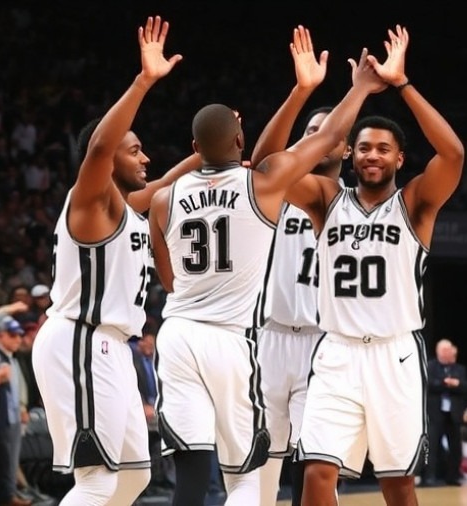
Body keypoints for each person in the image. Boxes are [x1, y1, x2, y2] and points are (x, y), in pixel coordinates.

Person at [147, 35, 385, 506]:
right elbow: (323, 139)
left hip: (193, 332)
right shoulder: (269, 185)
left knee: (201, 466)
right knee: (249, 474)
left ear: (195, 146)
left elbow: (168, 276)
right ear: (240, 140)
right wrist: (355, 89)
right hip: (248, 338)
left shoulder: (162, 199)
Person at [282, 25, 464, 506]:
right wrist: (353, 91)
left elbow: (453, 153)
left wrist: (402, 84)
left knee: (396, 484)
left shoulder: (416, 203)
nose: (372, 155)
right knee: (317, 471)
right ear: (349, 153)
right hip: (337, 352)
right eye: (363, 147)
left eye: (383, 148)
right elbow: (267, 166)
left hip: (394, 354)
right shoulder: (325, 199)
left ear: (400, 158)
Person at [29, 16, 191, 505]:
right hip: (80, 339)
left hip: (114, 348)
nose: (145, 159)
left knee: (135, 476)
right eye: (135, 150)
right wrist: (144, 81)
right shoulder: (89, 201)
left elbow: (163, 186)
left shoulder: (125, 209)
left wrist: (212, 158)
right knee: (97, 481)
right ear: (106, 161)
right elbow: (101, 143)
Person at [248, 26, 351, 506]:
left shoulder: (355, 206)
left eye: (331, 134)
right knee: (261, 460)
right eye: (311, 133)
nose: (319, 139)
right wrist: (301, 91)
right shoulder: (279, 192)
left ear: (346, 148)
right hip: (269, 337)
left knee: (317, 465)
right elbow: (265, 159)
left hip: (323, 343)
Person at [424, 339, 467, 486]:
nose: (449, 353)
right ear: (439, 352)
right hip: (435, 412)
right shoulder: (430, 366)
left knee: (455, 447)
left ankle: (453, 476)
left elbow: (465, 386)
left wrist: (456, 385)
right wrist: (445, 383)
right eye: (445, 350)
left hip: (453, 413)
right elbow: (428, 384)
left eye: (450, 350)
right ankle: (429, 477)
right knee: (432, 446)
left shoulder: (459, 369)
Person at [0, 317, 30, 506]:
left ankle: (10, 495)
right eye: (12, 335)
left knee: (11, 460)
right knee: (5, 461)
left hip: (12, 417)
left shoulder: (12, 357)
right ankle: (7, 497)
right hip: (2, 418)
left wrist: (22, 406)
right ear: (0, 336)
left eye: (19, 335)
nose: (17, 339)